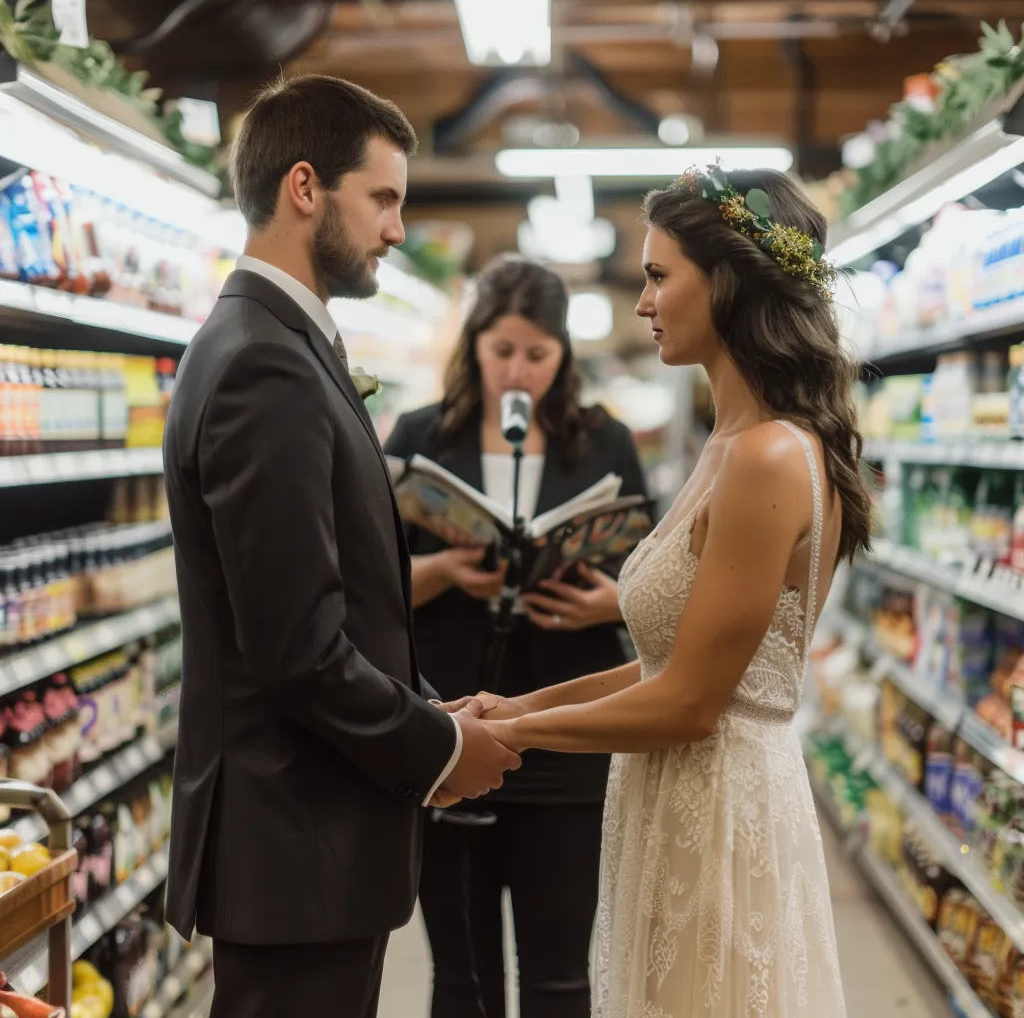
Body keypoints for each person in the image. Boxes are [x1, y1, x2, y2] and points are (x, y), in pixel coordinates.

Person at [459, 167, 871, 1017]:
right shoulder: (730, 442)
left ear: (725, 283)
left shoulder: (764, 458)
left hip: (717, 808)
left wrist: (517, 736)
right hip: (681, 793)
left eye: (658, 276)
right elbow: (664, 662)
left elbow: (688, 704)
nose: (643, 303)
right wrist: (514, 704)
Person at [162, 74, 520, 1018]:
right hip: (293, 848)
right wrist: (439, 745)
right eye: (386, 198)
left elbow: (327, 601)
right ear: (306, 188)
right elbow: (296, 647)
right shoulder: (263, 363)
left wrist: (427, 706)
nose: (398, 229)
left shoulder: (272, 343)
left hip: (304, 844)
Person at [383, 255, 647, 1018]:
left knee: (559, 975)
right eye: (502, 351)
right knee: (461, 980)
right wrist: (440, 573)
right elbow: (365, 589)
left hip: (567, 734)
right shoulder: (419, 436)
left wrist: (611, 604)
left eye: (538, 354)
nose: (518, 372)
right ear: (473, 347)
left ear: (564, 355)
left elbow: (657, 577)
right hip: (451, 725)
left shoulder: (605, 443)